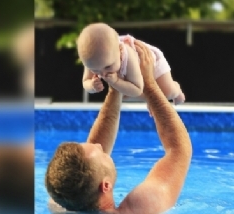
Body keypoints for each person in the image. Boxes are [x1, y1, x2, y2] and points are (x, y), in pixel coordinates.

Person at [45, 40, 192, 213]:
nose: (100, 145)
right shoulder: (142, 206)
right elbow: (179, 150)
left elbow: (88, 174)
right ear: (105, 186)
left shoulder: (63, 202)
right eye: (100, 152)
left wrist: (116, 87)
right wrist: (150, 84)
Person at [77, 22, 186, 105]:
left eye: (108, 66)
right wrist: (91, 86)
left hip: (151, 63)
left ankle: (177, 90)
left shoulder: (128, 55)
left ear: (119, 50)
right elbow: (85, 82)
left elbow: (137, 89)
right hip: (131, 78)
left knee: (167, 92)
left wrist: (115, 81)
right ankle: (151, 100)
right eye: (95, 70)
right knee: (123, 96)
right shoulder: (93, 58)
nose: (102, 73)